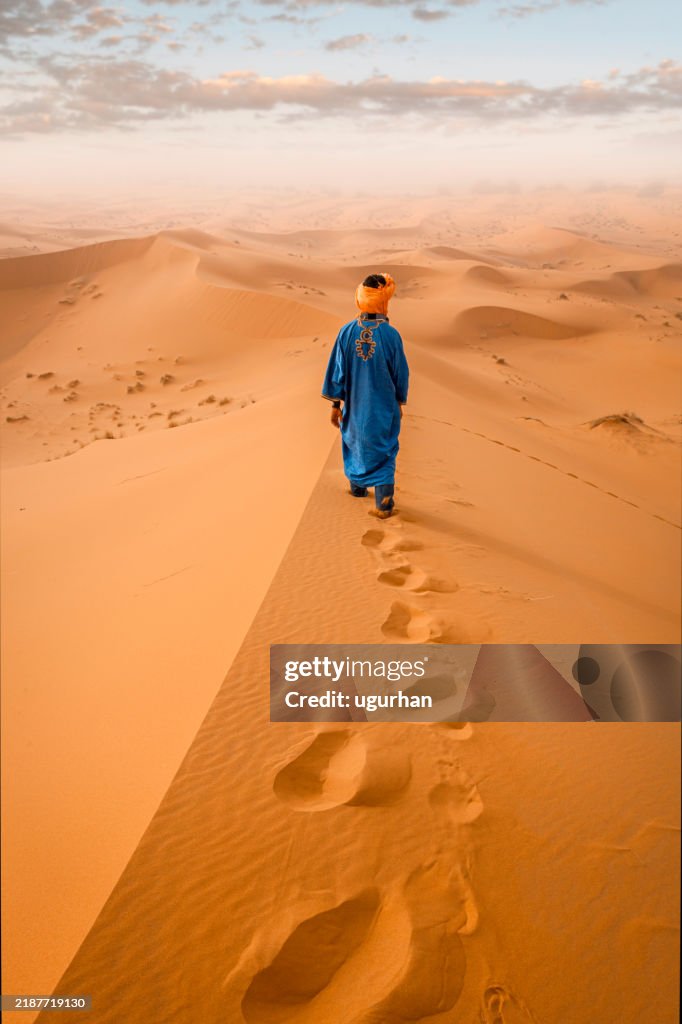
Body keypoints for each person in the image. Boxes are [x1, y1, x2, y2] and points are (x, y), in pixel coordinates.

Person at [322, 272, 409, 519]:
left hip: (354, 408)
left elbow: (336, 371)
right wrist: (400, 401)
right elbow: (400, 373)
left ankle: (358, 491)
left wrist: (335, 406)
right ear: (383, 301)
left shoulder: (346, 332)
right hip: (383, 409)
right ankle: (384, 505)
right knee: (384, 451)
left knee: (355, 446)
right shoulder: (391, 335)